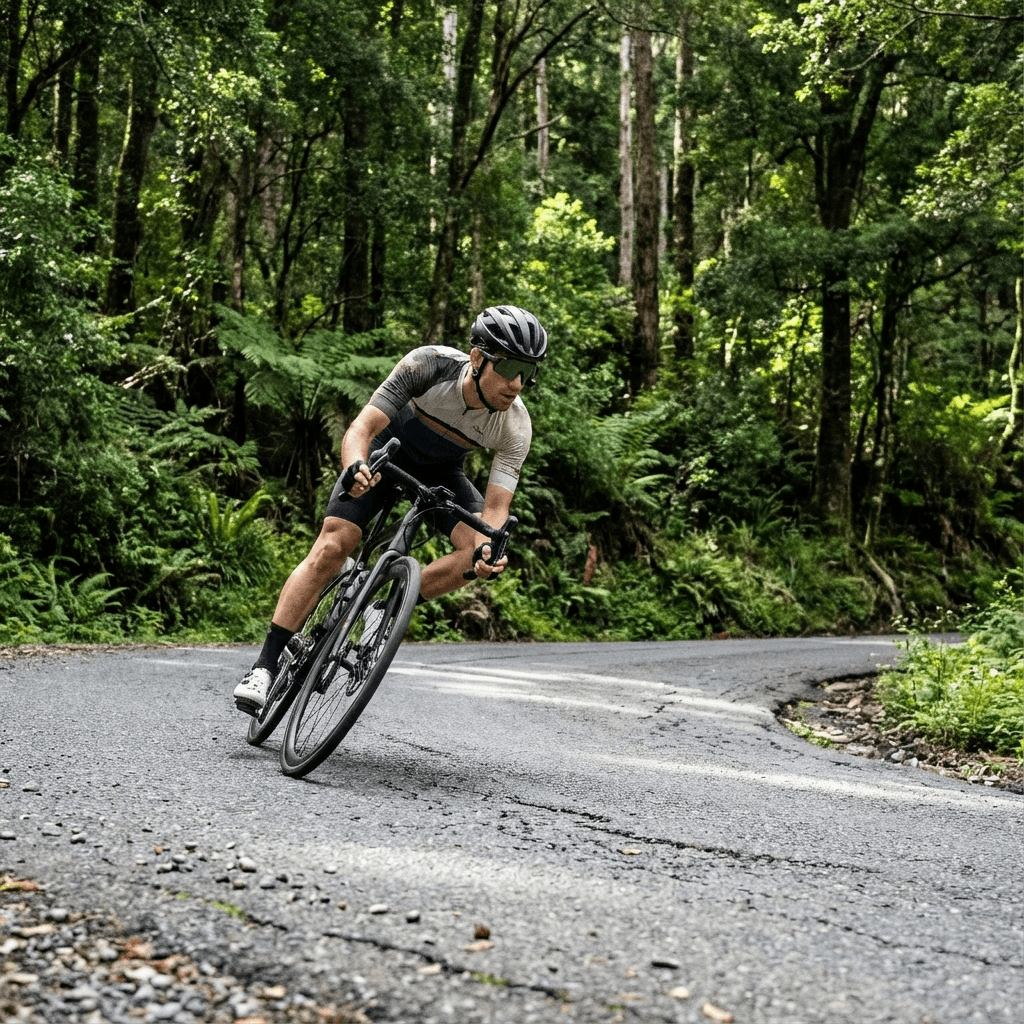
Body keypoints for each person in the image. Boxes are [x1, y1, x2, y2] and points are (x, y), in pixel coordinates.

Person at [233, 304, 548, 714]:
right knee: (333, 546)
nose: (518, 383)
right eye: (509, 369)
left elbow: (496, 508)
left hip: (441, 474)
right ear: (477, 358)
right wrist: (354, 465)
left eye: (529, 371)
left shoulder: (516, 425)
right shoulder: (427, 365)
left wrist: (489, 548)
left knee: (480, 551)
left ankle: (388, 604)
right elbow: (361, 429)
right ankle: (265, 666)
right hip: (387, 455)